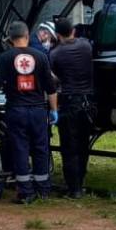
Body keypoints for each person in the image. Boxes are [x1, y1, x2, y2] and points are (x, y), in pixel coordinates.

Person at [0, 21, 58, 204]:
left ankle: (25, 192)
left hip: (16, 110)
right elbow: (51, 88)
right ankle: (43, 190)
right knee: (41, 148)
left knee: (20, 148)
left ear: (10, 39)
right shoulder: (41, 56)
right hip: (37, 110)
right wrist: (54, 110)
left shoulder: (5, 57)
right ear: (27, 36)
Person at [49, 17, 95, 199]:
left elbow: (51, 78)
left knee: (69, 146)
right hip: (88, 103)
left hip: (68, 102)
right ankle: (80, 181)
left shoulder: (55, 53)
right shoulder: (86, 46)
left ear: (57, 35)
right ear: (73, 31)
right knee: (83, 144)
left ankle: (73, 188)